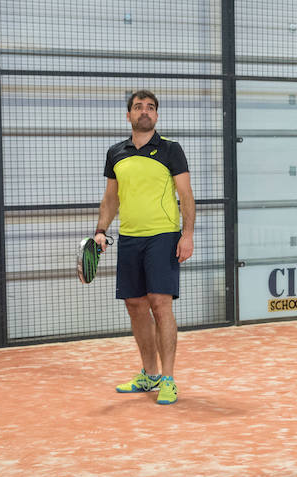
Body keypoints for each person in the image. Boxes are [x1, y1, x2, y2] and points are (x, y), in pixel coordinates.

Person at [94, 90, 195, 405]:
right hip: (129, 238)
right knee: (135, 305)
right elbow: (112, 198)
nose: (145, 111)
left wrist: (187, 234)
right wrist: (100, 231)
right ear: (129, 115)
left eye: (150, 107)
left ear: (156, 115)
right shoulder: (116, 153)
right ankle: (149, 374)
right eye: (138, 107)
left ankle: (168, 379)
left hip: (163, 235)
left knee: (160, 304)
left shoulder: (170, 150)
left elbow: (186, 195)